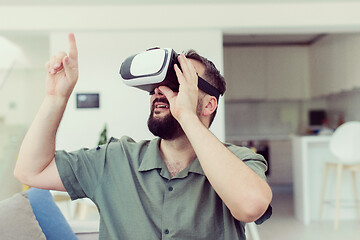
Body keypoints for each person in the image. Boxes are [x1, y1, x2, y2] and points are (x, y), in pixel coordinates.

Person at [14, 33, 272, 239]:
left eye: (177, 83)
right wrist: (55, 98)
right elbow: (31, 171)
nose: (159, 92)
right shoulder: (115, 159)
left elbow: (250, 205)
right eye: (155, 86)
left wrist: (187, 117)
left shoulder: (239, 161)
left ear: (208, 106)